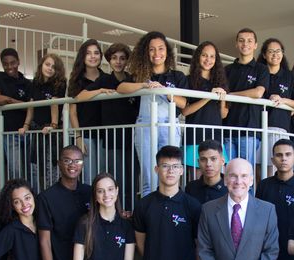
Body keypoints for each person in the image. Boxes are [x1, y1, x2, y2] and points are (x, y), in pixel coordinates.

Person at [118, 31, 188, 197]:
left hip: (169, 125)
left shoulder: (177, 76)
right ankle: (148, 218)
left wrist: (164, 91)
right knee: (149, 176)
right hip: (145, 126)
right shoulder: (140, 75)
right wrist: (145, 85)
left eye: (161, 48)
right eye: (152, 49)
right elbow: (121, 88)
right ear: (146, 52)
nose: (157, 53)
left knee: (170, 173)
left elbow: (184, 103)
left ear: (167, 51)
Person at [86, 42, 140, 205]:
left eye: (122, 58)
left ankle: (130, 211)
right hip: (112, 139)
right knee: (115, 178)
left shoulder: (133, 80)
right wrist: (100, 91)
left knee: (132, 177)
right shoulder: (104, 80)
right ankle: (117, 210)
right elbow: (79, 96)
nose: (118, 62)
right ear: (109, 60)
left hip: (132, 137)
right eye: (114, 58)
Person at [18, 53, 66, 190]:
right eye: (47, 64)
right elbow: (31, 106)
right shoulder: (35, 83)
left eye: (54, 67)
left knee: (52, 165)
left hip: (52, 130)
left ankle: (54, 194)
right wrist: (25, 125)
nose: (50, 68)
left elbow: (55, 104)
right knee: (36, 165)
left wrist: (53, 125)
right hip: (37, 129)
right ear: (41, 65)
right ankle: (39, 195)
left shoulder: (60, 83)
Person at [223, 28, 269, 164]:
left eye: (249, 41)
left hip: (250, 130)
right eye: (241, 41)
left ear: (255, 45)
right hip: (228, 129)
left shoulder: (261, 69)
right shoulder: (227, 70)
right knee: (229, 172)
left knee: (245, 173)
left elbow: (258, 92)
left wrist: (231, 95)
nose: (245, 44)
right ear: (236, 44)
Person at [257, 38, 294, 145]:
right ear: (264, 55)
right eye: (270, 51)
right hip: (256, 126)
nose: (275, 55)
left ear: (282, 54)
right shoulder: (258, 73)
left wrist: (284, 100)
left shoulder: (290, 76)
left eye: (278, 51)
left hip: (279, 127)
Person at [0, 48, 32, 172]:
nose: (9, 66)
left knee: (31, 169)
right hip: (10, 132)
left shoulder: (27, 83)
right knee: (16, 169)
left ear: (18, 62)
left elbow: (31, 107)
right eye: (5, 64)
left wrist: (7, 100)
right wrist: (16, 102)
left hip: (27, 130)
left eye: (12, 63)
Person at [68, 39, 107, 170]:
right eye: (88, 53)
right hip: (86, 133)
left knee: (104, 172)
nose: (93, 56)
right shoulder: (76, 80)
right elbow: (72, 112)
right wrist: (78, 136)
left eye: (96, 53)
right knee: (89, 174)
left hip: (105, 133)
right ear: (82, 56)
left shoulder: (106, 78)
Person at [182, 41, 229, 149]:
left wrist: (222, 99)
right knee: (193, 166)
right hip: (194, 137)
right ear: (198, 57)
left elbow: (223, 115)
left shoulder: (221, 82)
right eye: (204, 55)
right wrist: (208, 97)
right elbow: (185, 111)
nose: (208, 60)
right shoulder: (188, 80)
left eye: (212, 56)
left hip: (215, 137)